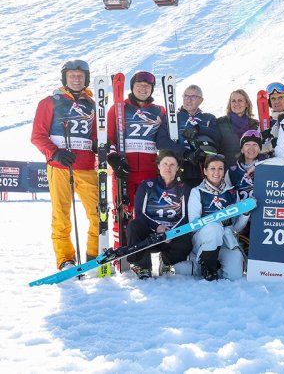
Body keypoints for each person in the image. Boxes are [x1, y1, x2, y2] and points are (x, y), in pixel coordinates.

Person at [31, 59, 100, 269]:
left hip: (87, 167)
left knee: (98, 214)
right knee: (61, 215)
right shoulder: (49, 102)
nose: (76, 79)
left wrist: (97, 145)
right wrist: (55, 154)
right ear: (65, 78)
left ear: (86, 78)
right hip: (60, 167)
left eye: (80, 76)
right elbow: (38, 136)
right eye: (72, 75)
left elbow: (95, 134)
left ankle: (94, 255)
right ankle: (65, 259)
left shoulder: (93, 105)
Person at [107, 71, 176, 246]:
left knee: (147, 212)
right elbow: (108, 138)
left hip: (150, 172)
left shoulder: (160, 111)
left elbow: (166, 139)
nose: (143, 89)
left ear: (152, 89)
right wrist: (113, 158)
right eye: (139, 85)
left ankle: (142, 252)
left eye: (147, 86)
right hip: (124, 170)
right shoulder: (118, 108)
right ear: (132, 87)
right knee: (121, 212)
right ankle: (120, 251)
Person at [174, 154, 250, 281]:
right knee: (213, 228)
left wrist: (245, 214)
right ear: (205, 171)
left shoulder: (232, 192)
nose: (216, 172)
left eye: (220, 168)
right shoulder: (197, 192)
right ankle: (208, 268)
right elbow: (194, 226)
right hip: (204, 241)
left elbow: (236, 227)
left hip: (226, 241)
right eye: (212, 168)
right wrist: (218, 223)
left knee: (234, 275)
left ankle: (201, 267)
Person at [125, 150, 193, 279]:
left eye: (172, 164)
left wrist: (172, 232)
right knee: (134, 226)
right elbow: (139, 213)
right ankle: (142, 266)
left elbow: (186, 216)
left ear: (178, 167)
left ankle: (167, 262)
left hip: (172, 235)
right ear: (158, 166)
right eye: (165, 164)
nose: (168, 167)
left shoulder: (184, 188)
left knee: (186, 236)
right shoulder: (147, 185)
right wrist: (157, 227)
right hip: (150, 234)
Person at [226, 130, 268, 255]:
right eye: (247, 144)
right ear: (242, 149)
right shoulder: (232, 171)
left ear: (260, 148)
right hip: (243, 220)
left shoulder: (268, 165)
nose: (251, 148)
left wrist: (258, 165)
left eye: (255, 145)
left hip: (264, 218)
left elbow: (283, 161)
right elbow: (227, 195)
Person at [177, 85, 221, 188]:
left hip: (203, 166)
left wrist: (199, 129)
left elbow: (218, 137)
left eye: (193, 96)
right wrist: (185, 153)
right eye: (186, 96)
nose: (188, 100)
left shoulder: (208, 118)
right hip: (180, 165)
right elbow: (162, 141)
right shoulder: (174, 118)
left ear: (201, 100)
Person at [217, 89, 258, 168]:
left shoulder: (255, 124)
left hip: (251, 169)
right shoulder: (220, 123)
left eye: (240, 100)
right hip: (228, 169)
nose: (236, 103)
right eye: (233, 101)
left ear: (247, 104)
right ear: (230, 104)